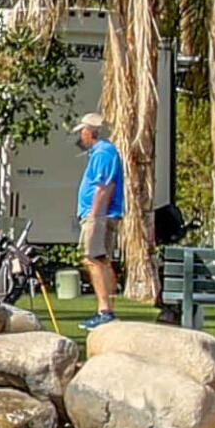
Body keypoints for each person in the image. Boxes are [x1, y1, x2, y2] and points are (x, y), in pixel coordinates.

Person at [73, 112, 126, 326]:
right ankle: (106, 309)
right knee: (100, 260)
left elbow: (104, 186)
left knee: (93, 259)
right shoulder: (100, 153)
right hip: (100, 216)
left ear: (89, 132)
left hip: (100, 216)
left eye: (82, 132)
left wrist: (95, 216)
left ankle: (104, 310)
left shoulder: (104, 153)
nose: (80, 137)